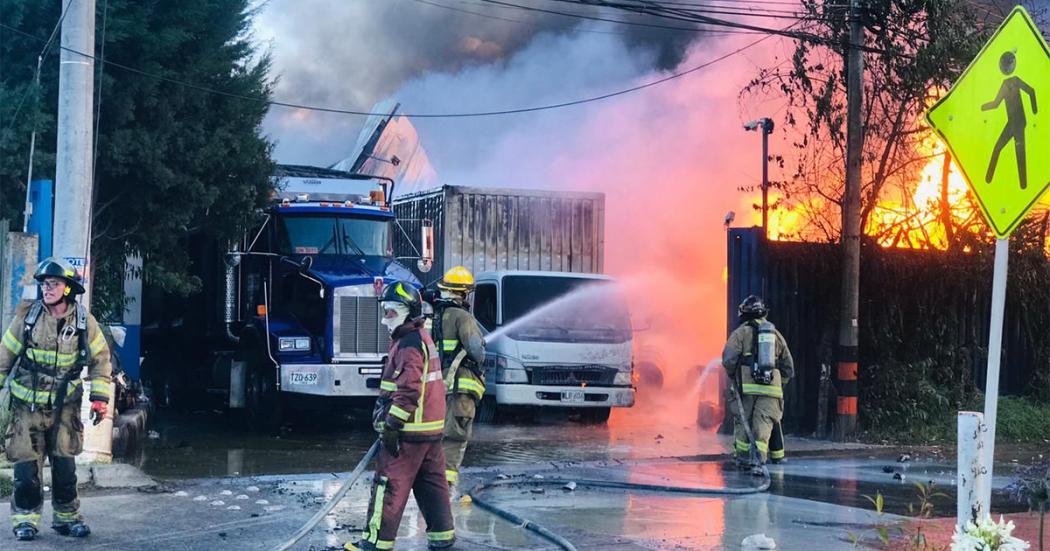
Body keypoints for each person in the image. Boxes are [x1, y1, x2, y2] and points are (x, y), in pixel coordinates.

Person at [0, 258, 112, 541]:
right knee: (26, 470)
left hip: (65, 408)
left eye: (53, 284)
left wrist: (100, 398)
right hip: (27, 409)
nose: (47, 289)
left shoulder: (85, 322)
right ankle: (25, 520)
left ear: (67, 289)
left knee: (65, 468)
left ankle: (67, 518)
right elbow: (4, 358)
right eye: (44, 284)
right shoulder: (28, 318)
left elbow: (101, 361)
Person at [346, 281, 455, 551]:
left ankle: (374, 544)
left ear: (410, 311)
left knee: (388, 486)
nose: (385, 320)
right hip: (429, 432)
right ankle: (443, 539)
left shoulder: (408, 345)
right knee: (432, 486)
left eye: (392, 313)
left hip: (409, 432)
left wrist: (392, 427)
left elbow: (408, 391)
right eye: (384, 311)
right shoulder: (421, 338)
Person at [428, 266, 486, 491]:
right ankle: (445, 485)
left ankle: (431, 480)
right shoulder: (462, 317)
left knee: (435, 434)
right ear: (464, 293)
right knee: (455, 435)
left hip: (437, 386)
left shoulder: (433, 315)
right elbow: (475, 349)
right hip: (460, 387)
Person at [721, 295, 793, 468]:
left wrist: (735, 376)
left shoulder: (740, 333)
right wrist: (778, 384)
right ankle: (766, 458)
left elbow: (728, 359)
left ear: (744, 314)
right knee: (766, 422)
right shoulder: (775, 334)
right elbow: (788, 366)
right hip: (771, 390)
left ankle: (744, 459)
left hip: (746, 389)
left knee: (743, 423)